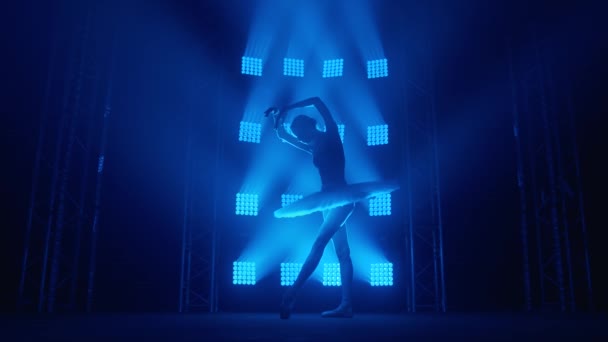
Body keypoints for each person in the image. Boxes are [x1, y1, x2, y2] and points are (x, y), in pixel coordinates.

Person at [266, 97, 355, 319]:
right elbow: (282, 136)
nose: (299, 137)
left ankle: (291, 293)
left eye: (300, 132)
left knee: (319, 243)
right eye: (298, 135)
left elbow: (317, 100)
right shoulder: (312, 145)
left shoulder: (331, 134)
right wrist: (278, 118)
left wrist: (289, 106)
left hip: (341, 198)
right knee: (342, 252)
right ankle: (346, 305)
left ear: (309, 125)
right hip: (327, 201)